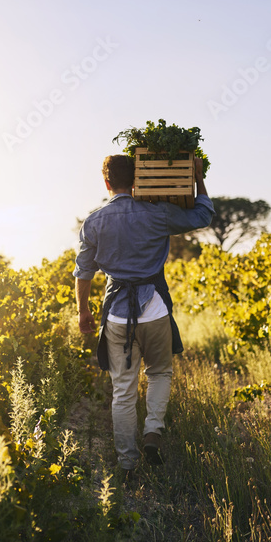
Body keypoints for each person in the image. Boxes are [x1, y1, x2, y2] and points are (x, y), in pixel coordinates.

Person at [73, 154, 214, 480]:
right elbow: (204, 215)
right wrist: (198, 177)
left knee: (123, 390)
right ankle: (153, 430)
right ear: (136, 180)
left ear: (107, 183)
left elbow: (84, 272)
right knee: (160, 372)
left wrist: (83, 312)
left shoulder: (93, 222)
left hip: (117, 317)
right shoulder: (158, 213)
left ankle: (126, 465)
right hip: (156, 311)